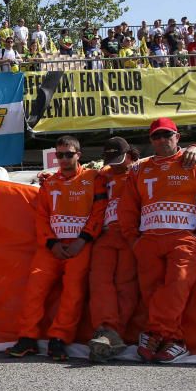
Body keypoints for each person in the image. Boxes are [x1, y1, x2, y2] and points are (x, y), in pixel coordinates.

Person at [118, 117, 196, 363]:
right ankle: (173, 339)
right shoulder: (138, 168)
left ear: (178, 137)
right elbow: (127, 209)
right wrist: (134, 239)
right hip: (148, 240)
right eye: (156, 136)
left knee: (176, 288)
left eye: (167, 135)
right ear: (150, 140)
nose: (162, 140)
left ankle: (157, 334)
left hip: (184, 238)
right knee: (151, 293)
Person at [5, 135, 107, 362]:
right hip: (51, 247)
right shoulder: (49, 183)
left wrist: (83, 239)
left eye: (68, 154)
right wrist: (51, 243)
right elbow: (41, 217)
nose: (63, 159)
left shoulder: (94, 178)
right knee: (34, 290)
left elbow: (99, 211)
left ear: (78, 155)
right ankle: (27, 338)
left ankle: (59, 339)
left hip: (80, 246)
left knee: (73, 293)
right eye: (59, 155)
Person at [86, 138, 140, 362]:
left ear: (130, 154)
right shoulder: (103, 174)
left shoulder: (142, 170)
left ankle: (114, 335)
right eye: (111, 160)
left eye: (119, 159)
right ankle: (106, 330)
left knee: (125, 285)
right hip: (106, 234)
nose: (116, 164)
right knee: (99, 282)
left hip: (131, 235)